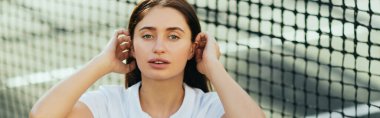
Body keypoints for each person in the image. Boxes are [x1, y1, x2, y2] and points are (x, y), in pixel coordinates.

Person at [30, 0, 265, 118]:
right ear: (131, 46)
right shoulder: (109, 104)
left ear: (192, 48)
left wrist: (213, 67)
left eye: (173, 36)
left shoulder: (209, 108)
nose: (159, 47)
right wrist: (101, 62)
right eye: (147, 35)